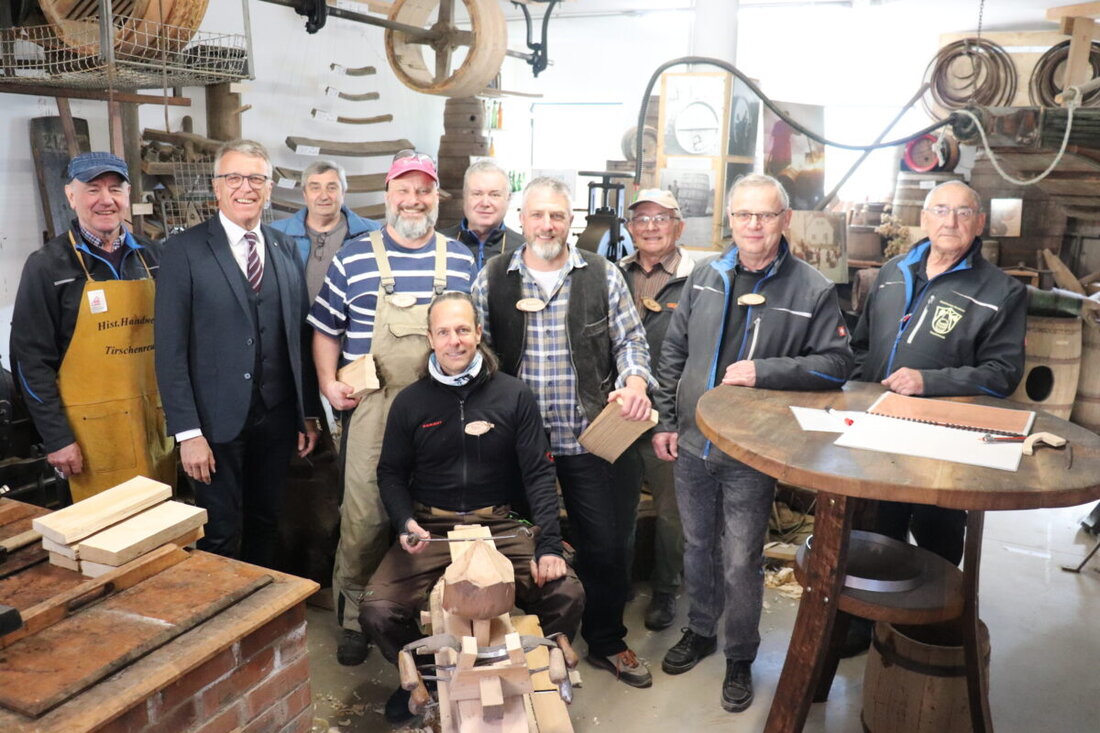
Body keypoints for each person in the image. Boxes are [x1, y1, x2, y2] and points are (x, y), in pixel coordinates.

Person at [652, 174, 853, 713]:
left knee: (741, 557)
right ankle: (700, 630)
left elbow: (838, 364)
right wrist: (666, 422)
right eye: (743, 215)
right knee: (698, 545)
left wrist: (764, 371)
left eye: (765, 215)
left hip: (751, 450)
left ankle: (740, 654)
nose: (753, 226)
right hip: (693, 441)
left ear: (785, 220)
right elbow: (674, 353)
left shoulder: (811, 288)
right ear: (731, 220)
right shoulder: (704, 275)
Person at [362, 292, 585, 723]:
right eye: (444, 332)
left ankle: (533, 669)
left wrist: (550, 547)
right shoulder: (410, 402)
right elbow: (390, 473)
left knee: (567, 591)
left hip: (501, 521)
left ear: (478, 333)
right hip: (431, 525)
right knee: (377, 608)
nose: (454, 341)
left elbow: (539, 473)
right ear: (430, 338)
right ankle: (428, 676)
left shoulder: (513, 395)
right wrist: (405, 521)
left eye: (463, 330)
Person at [473, 177, 656, 688]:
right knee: (517, 545)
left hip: (590, 437)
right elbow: (476, 353)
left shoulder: (602, 275)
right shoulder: (493, 277)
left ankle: (605, 640)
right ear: (521, 219)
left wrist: (635, 381)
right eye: (537, 215)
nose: (547, 225)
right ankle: (528, 641)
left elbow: (631, 343)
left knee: (606, 545)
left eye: (557, 215)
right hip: (517, 446)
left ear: (571, 219)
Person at [310, 150, 476, 665]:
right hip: (375, 408)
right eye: (403, 189)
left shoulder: (461, 258)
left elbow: (473, 334)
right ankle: (354, 619)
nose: (413, 199)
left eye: (423, 190)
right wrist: (326, 384)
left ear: (436, 197)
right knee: (363, 519)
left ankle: (430, 614)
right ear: (387, 195)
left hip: (444, 409)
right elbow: (324, 329)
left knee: (439, 513)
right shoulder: (355, 256)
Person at [154, 139, 321, 567]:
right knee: (221, 531)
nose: (245, 187)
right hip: (214, 424)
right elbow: (169, 351)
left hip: (276, 418)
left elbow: (296, 337)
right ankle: (224, 626)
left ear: (268, 188)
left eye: (256, 179)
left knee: (267, 522)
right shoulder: (184, 251)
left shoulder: (285, 248)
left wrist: (305, 412)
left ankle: (261, 621)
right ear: (216, 187)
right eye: (234, 178)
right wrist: (187, 433)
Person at [851, 180, 1026, 564]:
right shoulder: (893, 271)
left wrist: (929, 381)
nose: (951, 221)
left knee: (937, 540)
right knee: (874, 528)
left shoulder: (1002, 291)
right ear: (924, 218)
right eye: (941, 210)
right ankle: (866, 621)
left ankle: (928, 624)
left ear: (979, 223)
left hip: (945, 438)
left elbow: (1002, 374)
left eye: (963, 212)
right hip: (879, 428)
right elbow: (861, 345)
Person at [11, 151, 173, 502]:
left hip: (154, 430)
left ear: (127, 196)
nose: (106, 200)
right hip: (86, 440)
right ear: (70, 196)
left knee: (163, 535)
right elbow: (30, 362)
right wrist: (57, 438)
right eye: (92, 189)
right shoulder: (46, 267)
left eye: (115, 189)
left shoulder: (155, 257)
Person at [617, 189, 695, 631]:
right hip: (622, 408)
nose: (650, 227)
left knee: (671, 508)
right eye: (641, 219)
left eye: (661, 218)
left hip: (671, 412)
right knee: (618, 502)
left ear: (678, 226)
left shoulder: (697, 278)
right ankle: (620, 579)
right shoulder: (613, 275)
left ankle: (666, 590)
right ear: (630, 228)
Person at [269, 160, 381, 300]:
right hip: (294, 321)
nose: (324, 196)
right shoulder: (277, 233)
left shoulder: (372, 233)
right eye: (315, 188)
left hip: (345, 321)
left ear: (343, 193)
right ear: (305, 194)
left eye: (332, 188)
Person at [438, 159, 523, 270]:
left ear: (508, 198)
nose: (485, 203)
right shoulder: (438, 243)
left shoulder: (524, 250)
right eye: (477, 194)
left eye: (495, 195)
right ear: (465, 196)